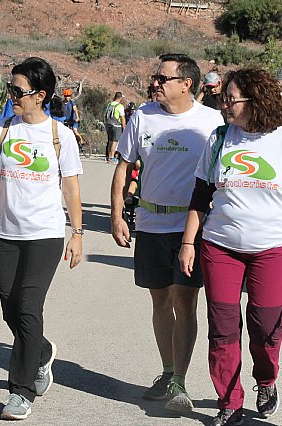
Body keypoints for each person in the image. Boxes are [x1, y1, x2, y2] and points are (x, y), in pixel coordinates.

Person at [178, 67, 282, 426]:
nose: (224, 104)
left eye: (231, 99)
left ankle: (265, 381)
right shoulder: (219, 138)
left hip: (273, 248)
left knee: (265, 326)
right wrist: (189, 242)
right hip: (220, 247)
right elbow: (201, 195)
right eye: (224, 98)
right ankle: (230, 400)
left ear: (254, 102)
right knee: (222, 327)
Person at [0, 57, 83, 421]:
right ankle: (42, 352)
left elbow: (71, 187)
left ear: (40, 95)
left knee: (28, 308)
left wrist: (76, 232)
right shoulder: (1, 130)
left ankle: (21, 390)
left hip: (45, 234)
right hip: (7, 234)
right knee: (9, 308)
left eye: (18, 91)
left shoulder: (60, 136)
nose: (11, 95)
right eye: (10, 89)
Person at [110, 53, 224, 413]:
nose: (155, 83)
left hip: (191, 226)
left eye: (163, 78)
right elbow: (124, 165)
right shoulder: (142, 115)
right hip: (150, 223)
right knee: (160, 301)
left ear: (186, 84)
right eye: (157, 78)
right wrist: (117, 215)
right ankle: (168, 369)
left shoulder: (212, 121)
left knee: (184, 300)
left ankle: (180, 381)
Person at [104, 91, 126, 164]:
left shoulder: (109, 104)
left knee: (110, 141)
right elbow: (122, 118)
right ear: (120, 98)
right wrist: (124, 127)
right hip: (116, 126)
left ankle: (108, 156)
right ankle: (112, 157)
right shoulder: (120, 106)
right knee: (114, 142)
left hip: (108, 125)